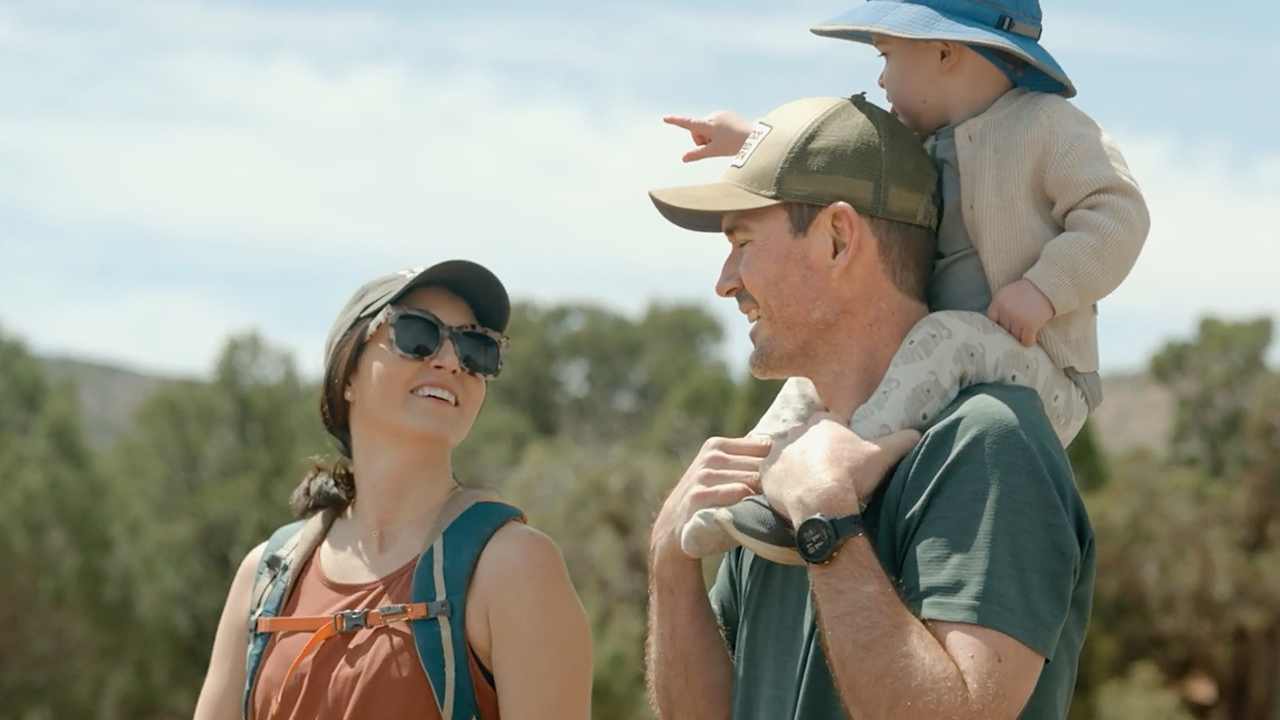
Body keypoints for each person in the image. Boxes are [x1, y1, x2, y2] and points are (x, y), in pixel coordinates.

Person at [646, 95, 1094, 719]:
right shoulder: (777, 468)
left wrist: (824, 518)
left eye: (743, 241)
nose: (725, 280)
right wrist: (670, 563)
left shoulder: (987, 442)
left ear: (837, 238)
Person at [664, 0, 1148, 562]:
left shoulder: (1049, 127)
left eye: (888, 54)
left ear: (944, 53)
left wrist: (1044, 289)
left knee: (945, 338)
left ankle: (835, 478)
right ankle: (746, 486)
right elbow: (834, 159)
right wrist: (747, 140)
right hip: (941, 354)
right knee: (812, 376)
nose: (880, 77)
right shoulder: (922, 142)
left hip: (1039, 368)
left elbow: (1118, 214)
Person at [193, 261, 593, 720]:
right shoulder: (264, 578)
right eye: (417, 334)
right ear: (348, 377)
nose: (449, 361)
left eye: (476, 348)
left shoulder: (515, 567)